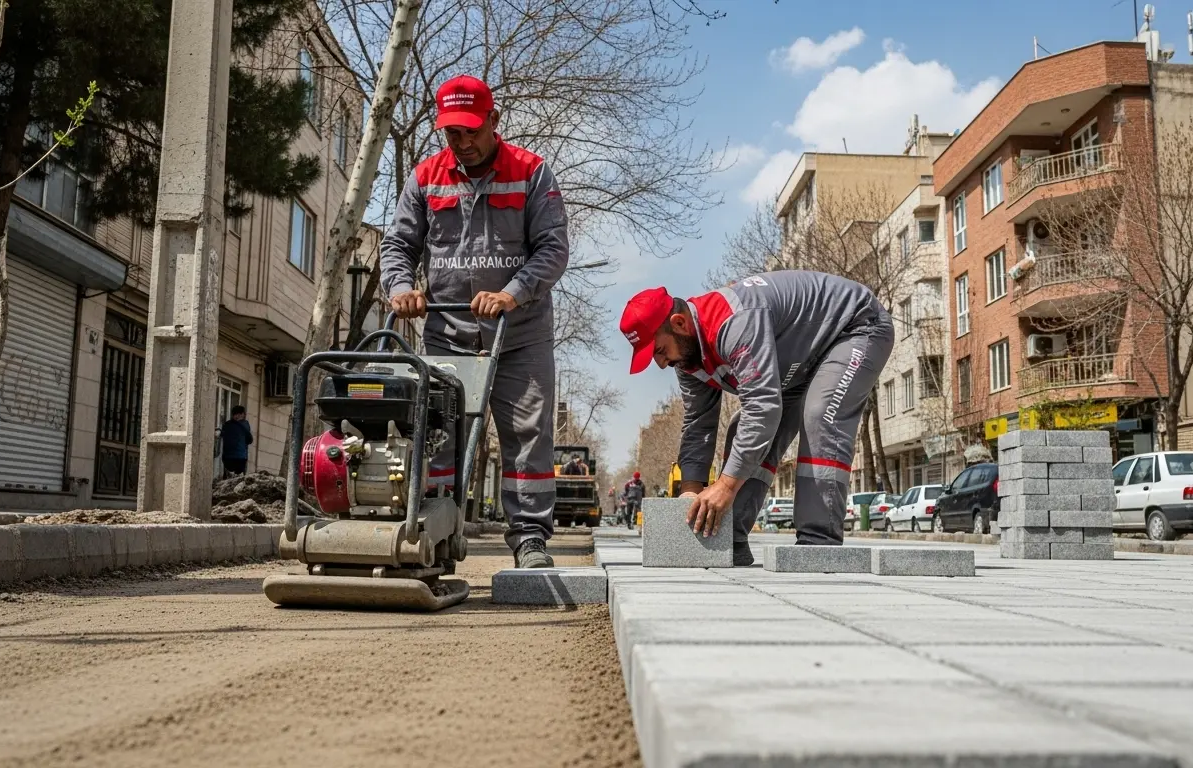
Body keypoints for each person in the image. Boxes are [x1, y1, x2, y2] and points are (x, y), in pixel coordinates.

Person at [378, 75, 570, 569]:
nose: (462, 143)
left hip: (520, 334)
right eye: (451, 134)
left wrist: (511, 294)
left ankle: (529, 538)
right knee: (438, 432)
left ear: (493, 121)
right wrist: (400, 289)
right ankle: (434, 531)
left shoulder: (531, 172)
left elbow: (552, 249)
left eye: (470, 131)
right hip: (447, 332)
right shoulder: (426, 177)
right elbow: (398, 244)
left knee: (528, 433)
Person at [620, 271, 894, 566]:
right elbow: (699, 424)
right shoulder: (686, 358)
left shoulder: (733, 323)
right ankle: (730, 542)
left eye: (660, 351)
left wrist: (725, 487)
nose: (661, 364)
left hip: (855, 327)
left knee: (820, 417)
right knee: (743, 430)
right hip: (798, 361)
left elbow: (762, 407)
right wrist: (691, 492)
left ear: (680, 324)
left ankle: (819, 546)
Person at [218, 405, 253, 477]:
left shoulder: (227, 425)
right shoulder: (245, 424)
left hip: (227, 457)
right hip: (241, 457)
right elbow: (249, 440)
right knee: (238, 479)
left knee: (229, 478)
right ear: (241, 414)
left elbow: (222, 435)